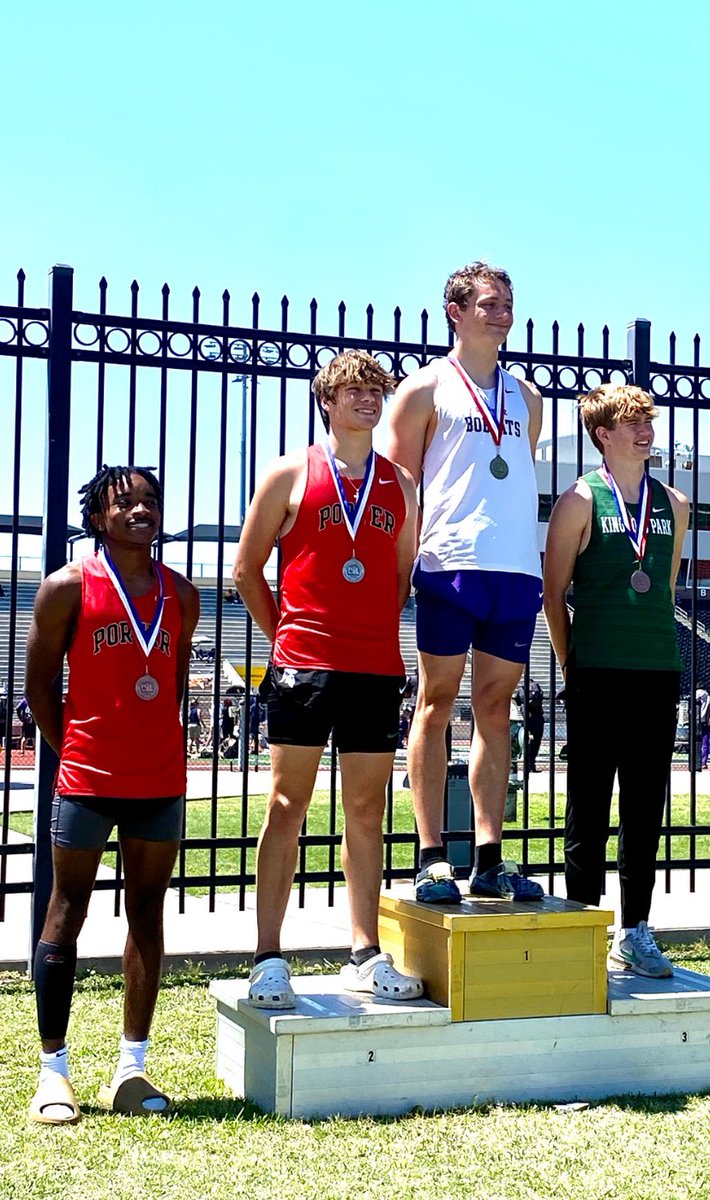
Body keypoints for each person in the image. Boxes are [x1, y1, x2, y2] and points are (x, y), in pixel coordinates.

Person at [234, 349, 423, 1006]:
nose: (369, 399)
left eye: (376, 390)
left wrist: (365, 630)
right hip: (303, 666)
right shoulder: (291, 472)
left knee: (367, 812)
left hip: (374, 667)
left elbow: (400, 577)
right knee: (287, 808)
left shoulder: (399, 483)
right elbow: (247, 570)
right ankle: (267, 956)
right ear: (327, 402)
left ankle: (364, 952)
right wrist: (287, 639)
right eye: (354, 390)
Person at [25, 464, 199, 1124]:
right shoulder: (66, 587)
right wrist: (74, 751)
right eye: (123, 503)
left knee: (147, 916)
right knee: (66, 912)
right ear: (98, 517)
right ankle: (53, 1073)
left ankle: (132, 1069)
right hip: (88, 781)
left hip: (157, 781)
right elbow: (40, 687)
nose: (139, 511)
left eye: (150, 501)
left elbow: (175, 684)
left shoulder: (181, 595)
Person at [387, 261, 545, 904]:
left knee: (495, 713)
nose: (502, 311)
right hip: (450, 566)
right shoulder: (424, 390)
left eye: (507, 301)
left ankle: (487, 855)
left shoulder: (528, 398)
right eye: (488, 302)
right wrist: (401, 575)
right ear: (455, 310)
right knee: (435, 702)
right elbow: (397, 492)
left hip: (515, 571)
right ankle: (430, 856)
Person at [544, 384, 688, 978]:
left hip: (656, 672)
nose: (645, 431)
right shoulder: (578, 501)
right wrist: (572, 661)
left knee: (644, 807)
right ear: (603, 434)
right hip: (597, 673)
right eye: (631, 423)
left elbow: (668, 584)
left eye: (647, 421)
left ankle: (635, 929)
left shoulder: (673, 504)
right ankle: (581, 927)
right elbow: (554, 595)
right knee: (589, 806)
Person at [513, 678, 545, 772]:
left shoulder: (521, 689)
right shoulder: (536, 687)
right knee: (536, 741)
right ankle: (532, 765)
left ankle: (526, 765)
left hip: (526, 717)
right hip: (537, 716)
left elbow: (517, 701)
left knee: (526, 741)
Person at [696, 686, 710, 770]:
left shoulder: (695, 694)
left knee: (696, 741)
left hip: (696, 720)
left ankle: (696, 761)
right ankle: (703, 762)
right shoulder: (708, 696)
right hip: (705, 721)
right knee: (705, 742)